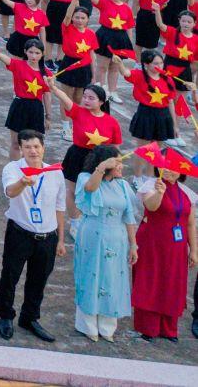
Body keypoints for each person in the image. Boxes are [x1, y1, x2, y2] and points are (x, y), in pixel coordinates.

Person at [0, 129, 66, 342]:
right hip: (20, 233)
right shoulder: (13, 169)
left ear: (43, 148)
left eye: (36, 146)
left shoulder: (55, 172)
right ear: (21, 149)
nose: (33, 151)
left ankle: (30, 317)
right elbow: (9, 192)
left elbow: (59, 207)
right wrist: (23, 183)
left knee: (38, 279)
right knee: (10, 276)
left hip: (47, 236)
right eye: (27, 147)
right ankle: (6, 316)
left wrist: (60, 239)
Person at [72, 144, 141, 341]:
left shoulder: (123, 185)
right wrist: (101, 168)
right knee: (90, 275)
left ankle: (107, 326)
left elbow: (128, 217)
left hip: (116, 238)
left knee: (113, 278)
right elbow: (90, 188)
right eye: (118, 162)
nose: (121, 167)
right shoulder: (86, 177)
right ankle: (87, 324)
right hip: (93, 234)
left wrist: (133, 244)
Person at [133, 160, 197, 341]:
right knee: (151, 283)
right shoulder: (151, 186)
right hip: (152, 244)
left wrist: (194, 250)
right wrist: (159, 193)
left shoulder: (186, 193)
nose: (169, 170)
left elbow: (190, 223)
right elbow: (151, 207)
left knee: (172, 285)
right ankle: (148, 328)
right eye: (165, 166)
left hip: (176, 249)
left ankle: (169, 329)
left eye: (174, 167)